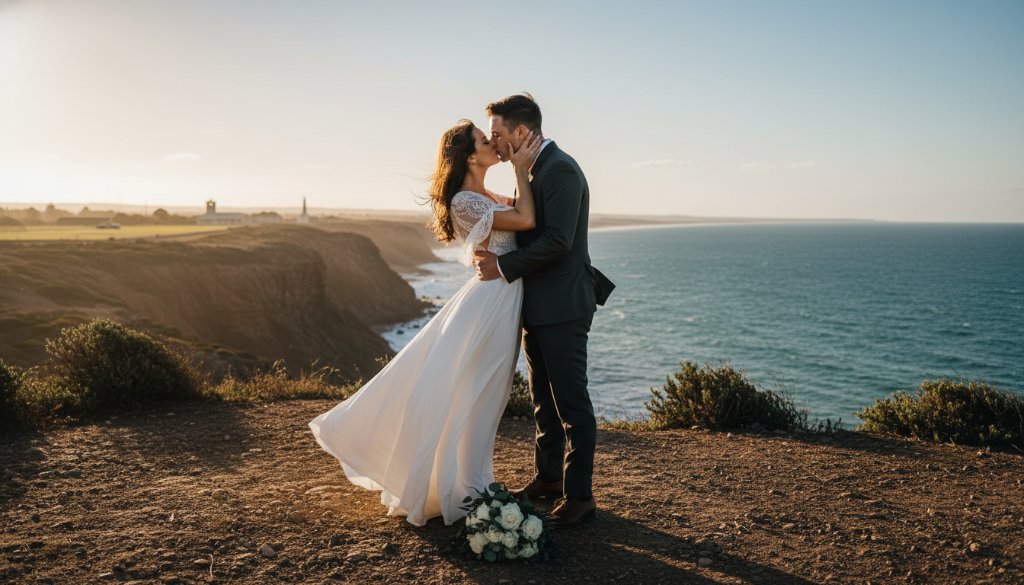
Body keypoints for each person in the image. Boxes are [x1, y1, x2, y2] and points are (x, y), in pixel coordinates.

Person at [309, 119, 542, 526]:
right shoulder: (465, 201)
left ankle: (474, 480)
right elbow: (525, 221)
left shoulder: (486, 193)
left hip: (501, 301)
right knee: (469, 394)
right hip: (489, 305)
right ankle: (457, 486)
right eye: (486, 140)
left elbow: (523, 211)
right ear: (470, 155)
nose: (493, 144)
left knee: (489, 395)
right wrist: (522, 166)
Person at [474, 94, 614, 528]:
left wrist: (501, 266)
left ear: (521, 132)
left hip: (564, 308)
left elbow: (558, 241)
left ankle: (580, 497)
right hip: (537, 307)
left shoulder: (561, 170)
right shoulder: (530, 170)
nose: (495, 142)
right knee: (542, 404)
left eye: (498, 133)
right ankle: (549, 478)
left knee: (572, 404)